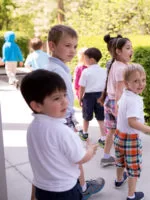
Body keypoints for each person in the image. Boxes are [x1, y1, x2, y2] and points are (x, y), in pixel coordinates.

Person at [20, 69, 100, 200]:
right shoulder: (62, 131)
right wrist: (90, 150)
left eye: (64, 95)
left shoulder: (33, 127)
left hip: (42, 188)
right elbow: (80, 158)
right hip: (65, 190)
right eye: (57, 98)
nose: (65, 101)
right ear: (37, 106)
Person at [46, 24, 104, 200]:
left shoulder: (57, 66)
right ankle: (83, 188)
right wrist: (69, 121)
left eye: (75, 46)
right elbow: (58, 100)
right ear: (52, 45)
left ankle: (82, 185)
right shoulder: (56, 70)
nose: (72, 50)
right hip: (63, 120)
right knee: (75, 156)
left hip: (62, 120)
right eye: (67, 45)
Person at [114, 64, 150, 200]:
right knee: (133, 168)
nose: (141, 84)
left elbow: (120, 109)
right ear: (126, 83)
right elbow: (132, 122)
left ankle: (118, 179)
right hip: (131, 140)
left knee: (120, 161)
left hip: (119, 136)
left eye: (143, 79)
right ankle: (131, 195)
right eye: (136, 81)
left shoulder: (126, 94)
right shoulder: (134, 100)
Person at [98, 37, 133, 167]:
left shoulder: (115, 64)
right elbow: (119, 91)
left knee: (111, 132)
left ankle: (106, 157)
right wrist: (119, 108)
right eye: (128, 48)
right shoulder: (122, 68)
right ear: (118, 51)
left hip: (109, 101)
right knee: (124, 133)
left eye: (131, 47)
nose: (131, 50)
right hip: (117, 103)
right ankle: (123, 162)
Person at [78, 47, 107, 147]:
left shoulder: (86, 72)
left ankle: (85, 133)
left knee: (86, 116)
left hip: (89, 96)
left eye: (85, 58)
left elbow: (82, 87)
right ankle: (103, 138)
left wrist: (80, 98)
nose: (84, 60)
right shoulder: (104, 71)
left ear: (91, 60)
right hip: (101, 96)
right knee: (101, 118)